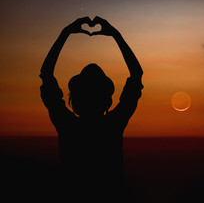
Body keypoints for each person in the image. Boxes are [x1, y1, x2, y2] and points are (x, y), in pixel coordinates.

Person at [40, 16, 143, 197]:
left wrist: (65, 33)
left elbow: (46, 74)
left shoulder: (67, 124)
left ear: (76, 99)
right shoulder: (113, 124)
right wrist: (115, 35)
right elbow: (136, 74)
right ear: (105, 98)